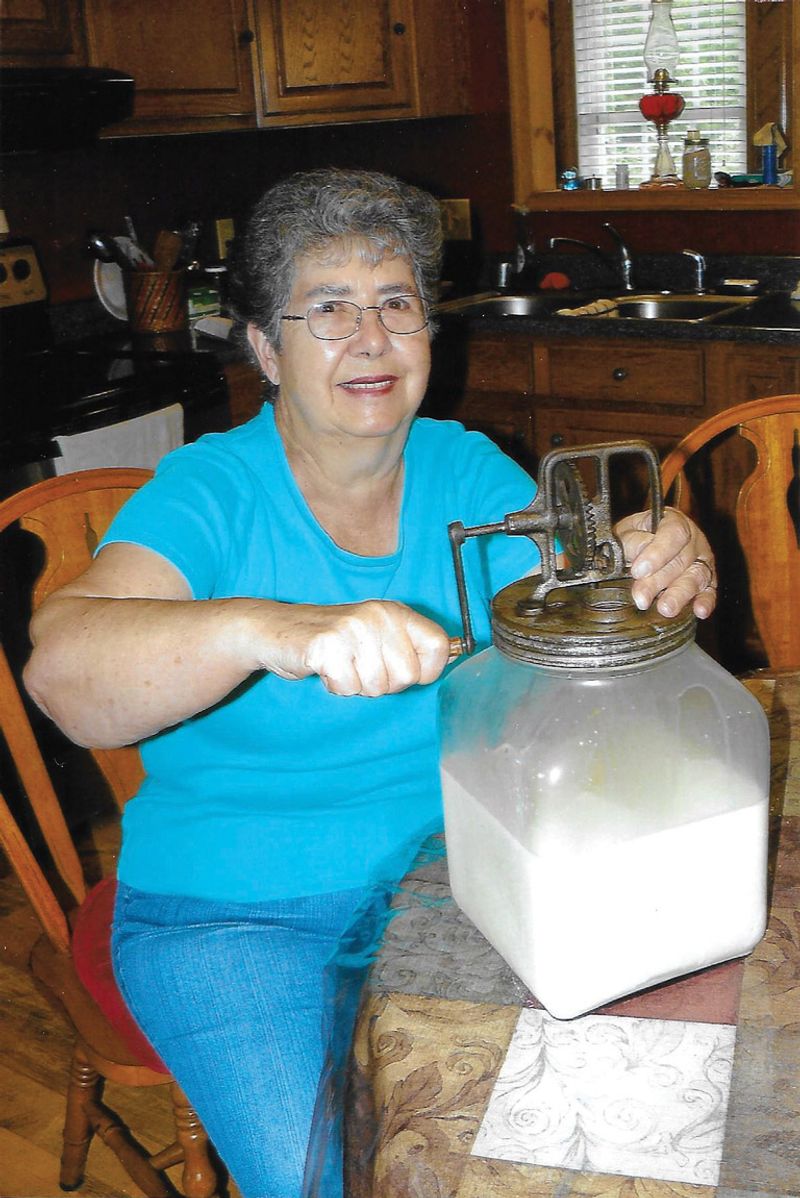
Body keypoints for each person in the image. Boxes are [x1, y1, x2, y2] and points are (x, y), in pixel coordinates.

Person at [23, 167, 717, 1198]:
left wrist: (657, 555)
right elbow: (65, 670)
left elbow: (581, 603)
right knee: (334, 1179)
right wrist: (278, 629)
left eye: (395, 303)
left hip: (464, 873)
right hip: (235, 913)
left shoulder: (464, 467)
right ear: (264, 347)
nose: (369, 337)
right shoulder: (210, 491)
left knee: (640, 1110)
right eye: (328, 310)